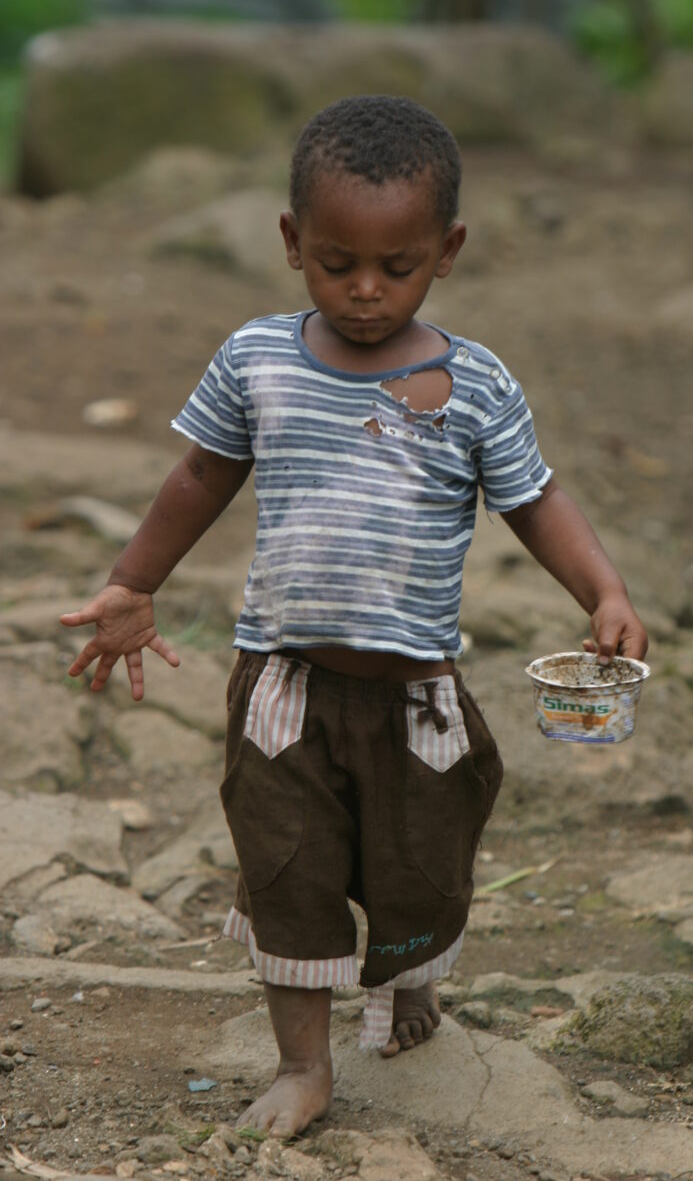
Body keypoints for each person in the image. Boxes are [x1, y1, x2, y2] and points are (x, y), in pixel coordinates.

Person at [61, 95, 647, 1139]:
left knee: (424, 865)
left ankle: (407, 973)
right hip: (285, 685)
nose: (366, 291)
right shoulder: (258, 359)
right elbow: (201, 474)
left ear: (446, 252)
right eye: (337, 264)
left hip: (415, 692)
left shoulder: (473, 384)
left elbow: (534, 498)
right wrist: (132, 582)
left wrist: (599, 590)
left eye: (398, 266)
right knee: (287, 865)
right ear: (292, 244)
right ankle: (303, 1064)